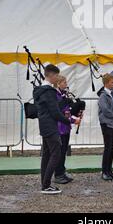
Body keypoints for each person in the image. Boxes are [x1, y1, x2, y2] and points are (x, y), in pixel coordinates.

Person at [33, 64, 71, 194]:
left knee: (47, 155)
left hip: (44, 125)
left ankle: (45, 184)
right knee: (56, 153)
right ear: (51, 75)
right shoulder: (49, 91)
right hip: (51, 126)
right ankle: (46, 185)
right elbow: (55, 113)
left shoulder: (39, 90)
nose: (57, 78)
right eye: (56, 76)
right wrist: (70, 120)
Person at [54, 75, 81, 184]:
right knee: (59, 152)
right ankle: (58, 174)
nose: (66, 84)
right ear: (58, 83)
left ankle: (62, 172)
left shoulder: (64, 95)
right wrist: (73, 121)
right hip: (60, 127)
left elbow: (68, 110)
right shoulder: (56, 96)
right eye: (64, 82)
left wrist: (76, 111)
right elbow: (61, 112)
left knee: (64, 150)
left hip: (66, 127)